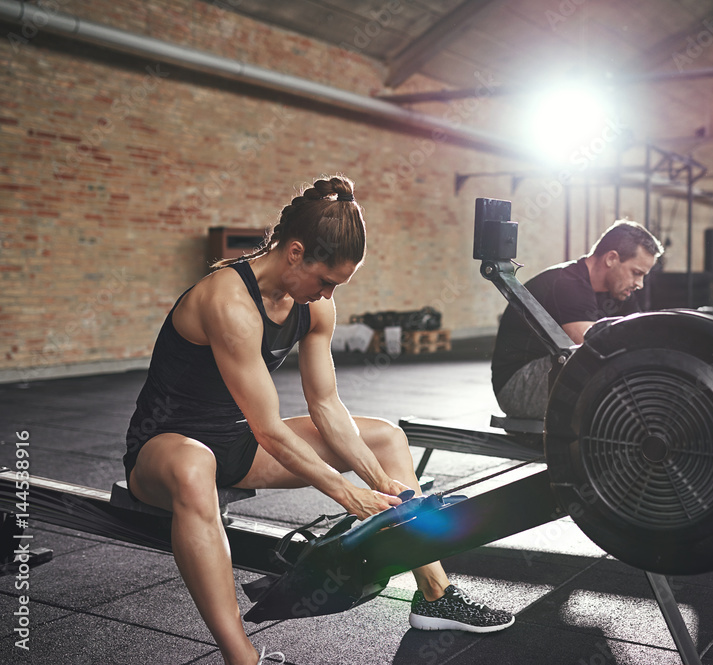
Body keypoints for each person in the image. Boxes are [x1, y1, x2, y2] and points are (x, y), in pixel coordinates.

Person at [124, 175, 513, 665]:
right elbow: (268, 427)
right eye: (325, 280)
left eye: (336, 285)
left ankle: (435, 594)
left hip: (237, 446)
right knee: (194, 465)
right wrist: (348, 494)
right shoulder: (227, 301)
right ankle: (241, 657)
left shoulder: (315, 306)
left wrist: (380, 485)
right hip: (166, 449)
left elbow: (325, 405)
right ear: (294, 252)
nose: (328, 294)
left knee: (386, 440)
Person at [491, 220, 664, 420]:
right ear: (611, 258)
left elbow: (641, 336)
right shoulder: (568, 283)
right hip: (518, 385)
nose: (640, 284)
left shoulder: (620, 291)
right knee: (601, 361)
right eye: (636, 273)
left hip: (553, 370)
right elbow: (591, 346)